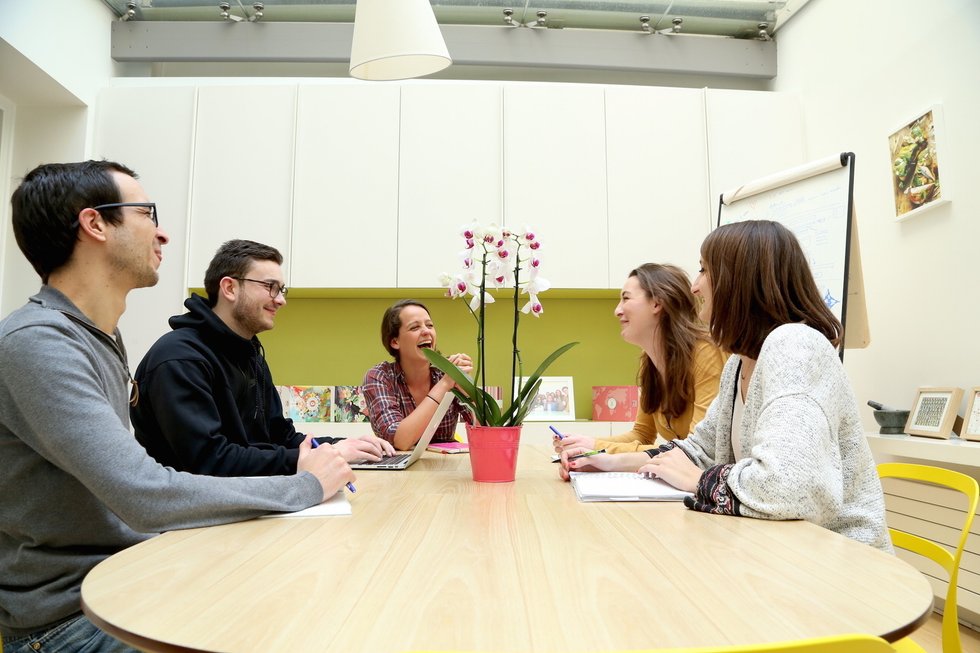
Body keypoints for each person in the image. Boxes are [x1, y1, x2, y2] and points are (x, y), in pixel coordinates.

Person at [0, 161, 354, 652]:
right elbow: (144, 493)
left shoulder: (99, 338)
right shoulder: (38, 344)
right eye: (146, 212)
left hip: (130, 574)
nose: (162, 233)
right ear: (95, 224)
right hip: (69, 617)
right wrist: (306, 487)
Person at [637, 220, 890, 550]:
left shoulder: (795, 347)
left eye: (704, 270)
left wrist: (699, 480)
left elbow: (789, 487)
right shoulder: (738, 365)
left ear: (738, 280)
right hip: (779, 552)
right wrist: (612, 463)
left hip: (840, 563)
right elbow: (700, 449)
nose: (695, 287)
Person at [131, 239, 394, 476]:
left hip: (249, 502)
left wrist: (341, 446)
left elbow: (281, 436)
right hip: (194, 522)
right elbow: (209, 461)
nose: (281, 300)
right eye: (271, 287)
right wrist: (317, 459)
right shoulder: (179, 359)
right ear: (229, 288)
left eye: (282, 290)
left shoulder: (251, 355)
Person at [556, 264, 724, 476]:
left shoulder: (706, 354)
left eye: (626, 298)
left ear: (657, 303)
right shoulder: (650, 362)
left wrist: (598, 447)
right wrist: (590, 449)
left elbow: (695, 452)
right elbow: (642, 435)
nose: (617, 310)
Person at [362, 300, 473, 451]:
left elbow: (488, 430)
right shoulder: (379, 377)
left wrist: (469, 390)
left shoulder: (445, 373)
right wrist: (445, 383)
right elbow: (400, 441)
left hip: (445, 466)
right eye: (415, 327)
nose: (426, 331)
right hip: (399, 470)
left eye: (430, 325)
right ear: (395, 341)